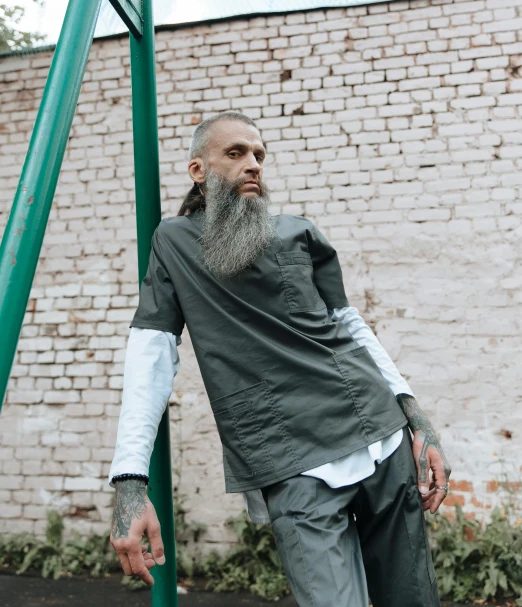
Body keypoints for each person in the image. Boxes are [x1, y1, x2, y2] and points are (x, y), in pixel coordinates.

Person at [108, 110, 451, 606]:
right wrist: (129, 481)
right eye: (236, 153)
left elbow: (349, 324)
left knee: (413, 599)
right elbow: (151, 354)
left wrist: (419, 420)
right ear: (197, 170)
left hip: (379, 435)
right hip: (290, 459)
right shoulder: (175, 243)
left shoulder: (299, 232)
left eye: (259, 155)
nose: (253, 165)